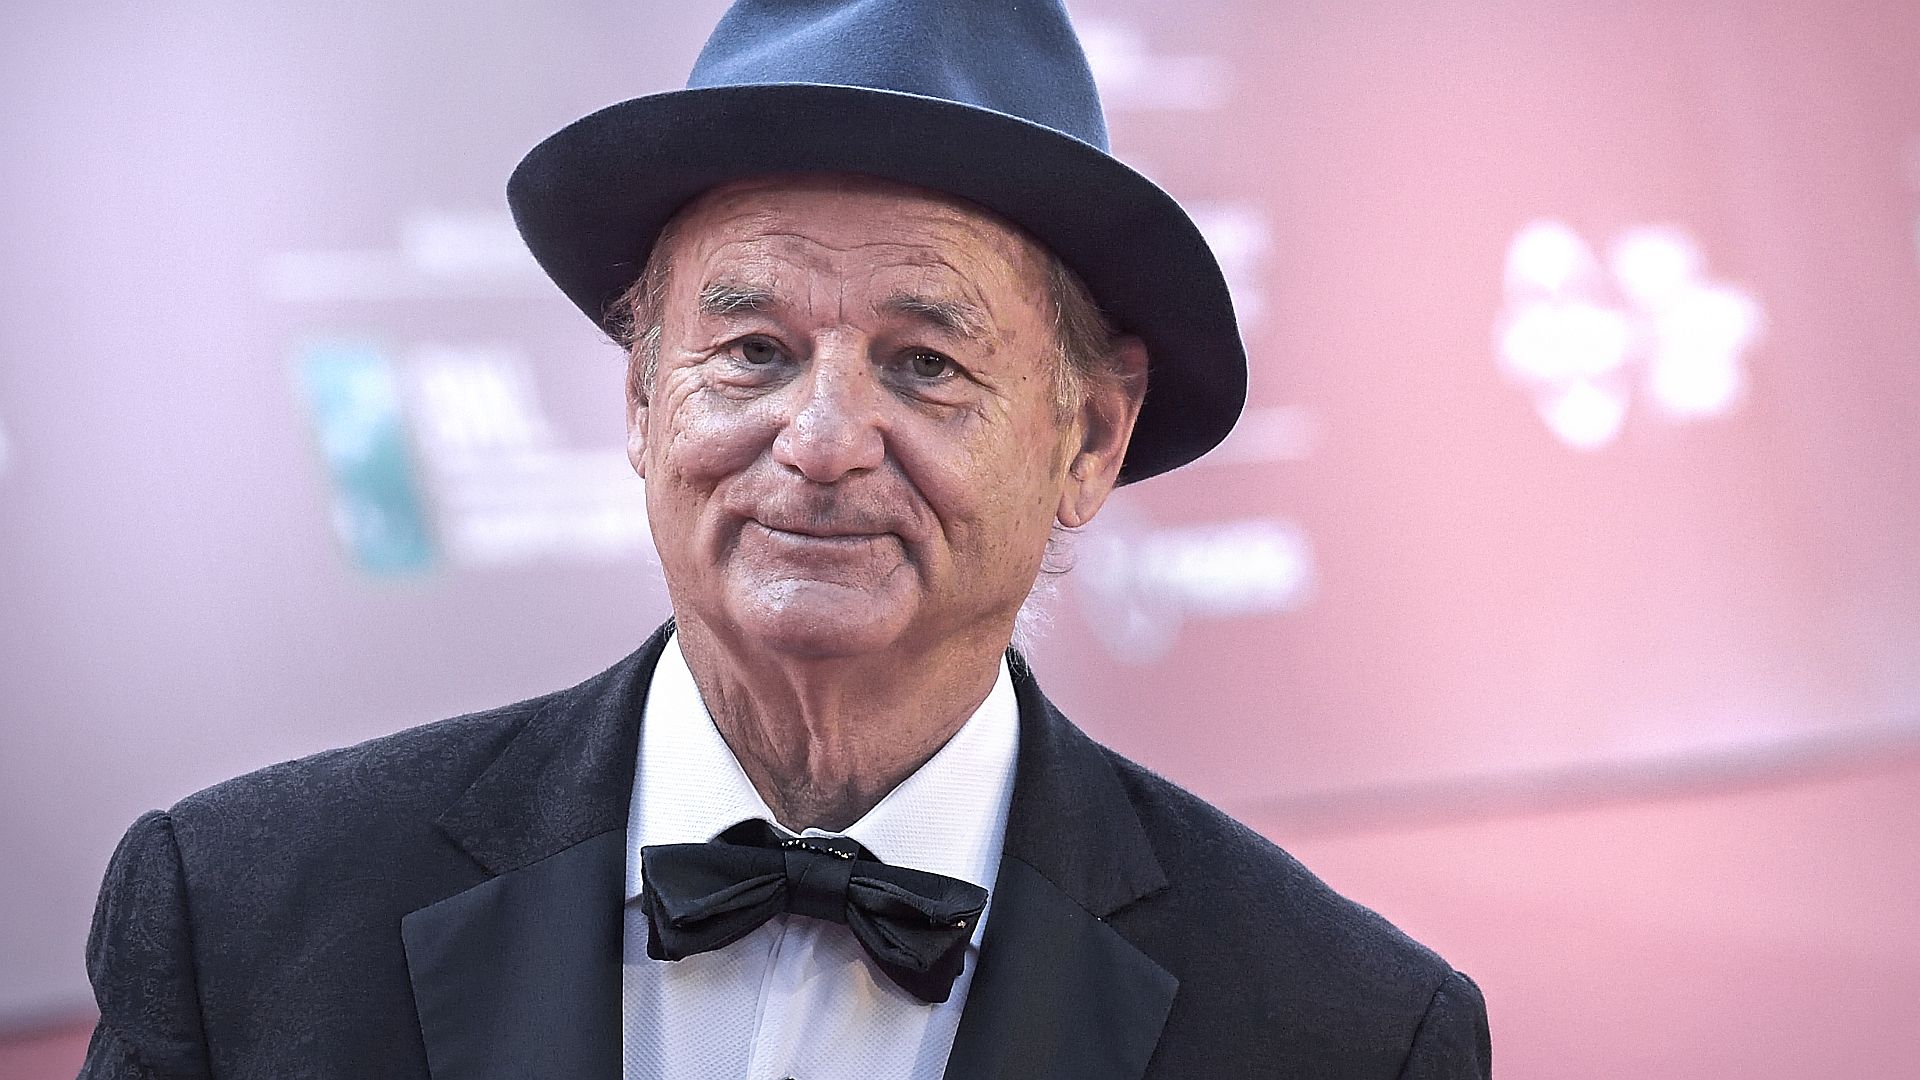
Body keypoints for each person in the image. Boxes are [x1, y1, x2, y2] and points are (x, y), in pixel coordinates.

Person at [80, 2, 1491, 1077]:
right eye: (752, 349)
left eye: (925, 364)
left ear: (1088, 439)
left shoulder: (1347, 1034)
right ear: (643, 401)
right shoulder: (239, 920)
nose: (820, 441)